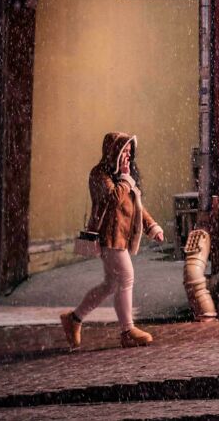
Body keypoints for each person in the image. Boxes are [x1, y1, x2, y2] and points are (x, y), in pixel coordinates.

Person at [61, 132, 164, 350]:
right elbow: (112, 199)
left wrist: (152, 227)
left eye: (129, 152)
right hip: (109, 237)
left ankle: (74, 319)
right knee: (126, 277)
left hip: (120, 237)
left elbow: (136, 206)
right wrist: (126, 178)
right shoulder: (99, 175)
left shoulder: (122, 177)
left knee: (110, 284)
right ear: (112, 152)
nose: (127, 156)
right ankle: (127, 331)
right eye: (123, 151)